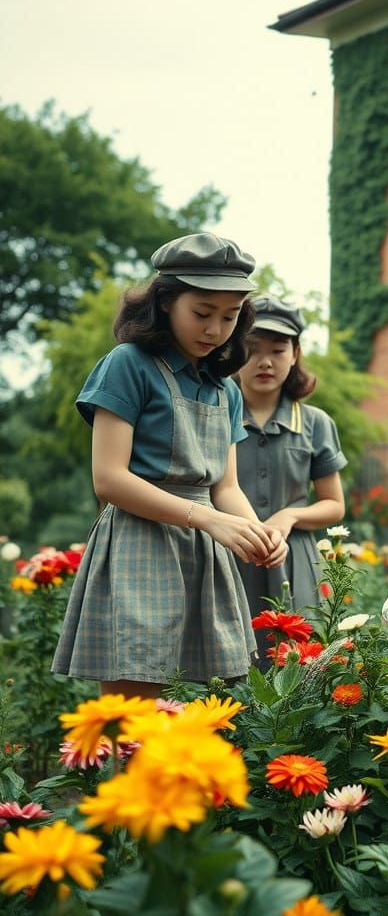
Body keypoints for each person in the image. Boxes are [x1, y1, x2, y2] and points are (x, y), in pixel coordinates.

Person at [52, 233, 288, 698]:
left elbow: (226, 487)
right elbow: (110, 479)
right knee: (136, 714)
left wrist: (255, 530)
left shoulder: (226, 388)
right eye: (202, 313)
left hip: (205, 549)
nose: (215, 329)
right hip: (141, 544)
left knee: (208, 710)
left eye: (230, 316)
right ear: (164, 303)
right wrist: (209, 520)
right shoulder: (128, 365)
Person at [234, 295, 347, 643]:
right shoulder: (214, 416)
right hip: (228, 557)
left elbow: (334, 505)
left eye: (278, 350)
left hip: (293, 562)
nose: (265, 362)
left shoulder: (315, 423)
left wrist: (290, 516)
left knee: (294, 665)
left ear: (295, 353)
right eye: (252, 349)